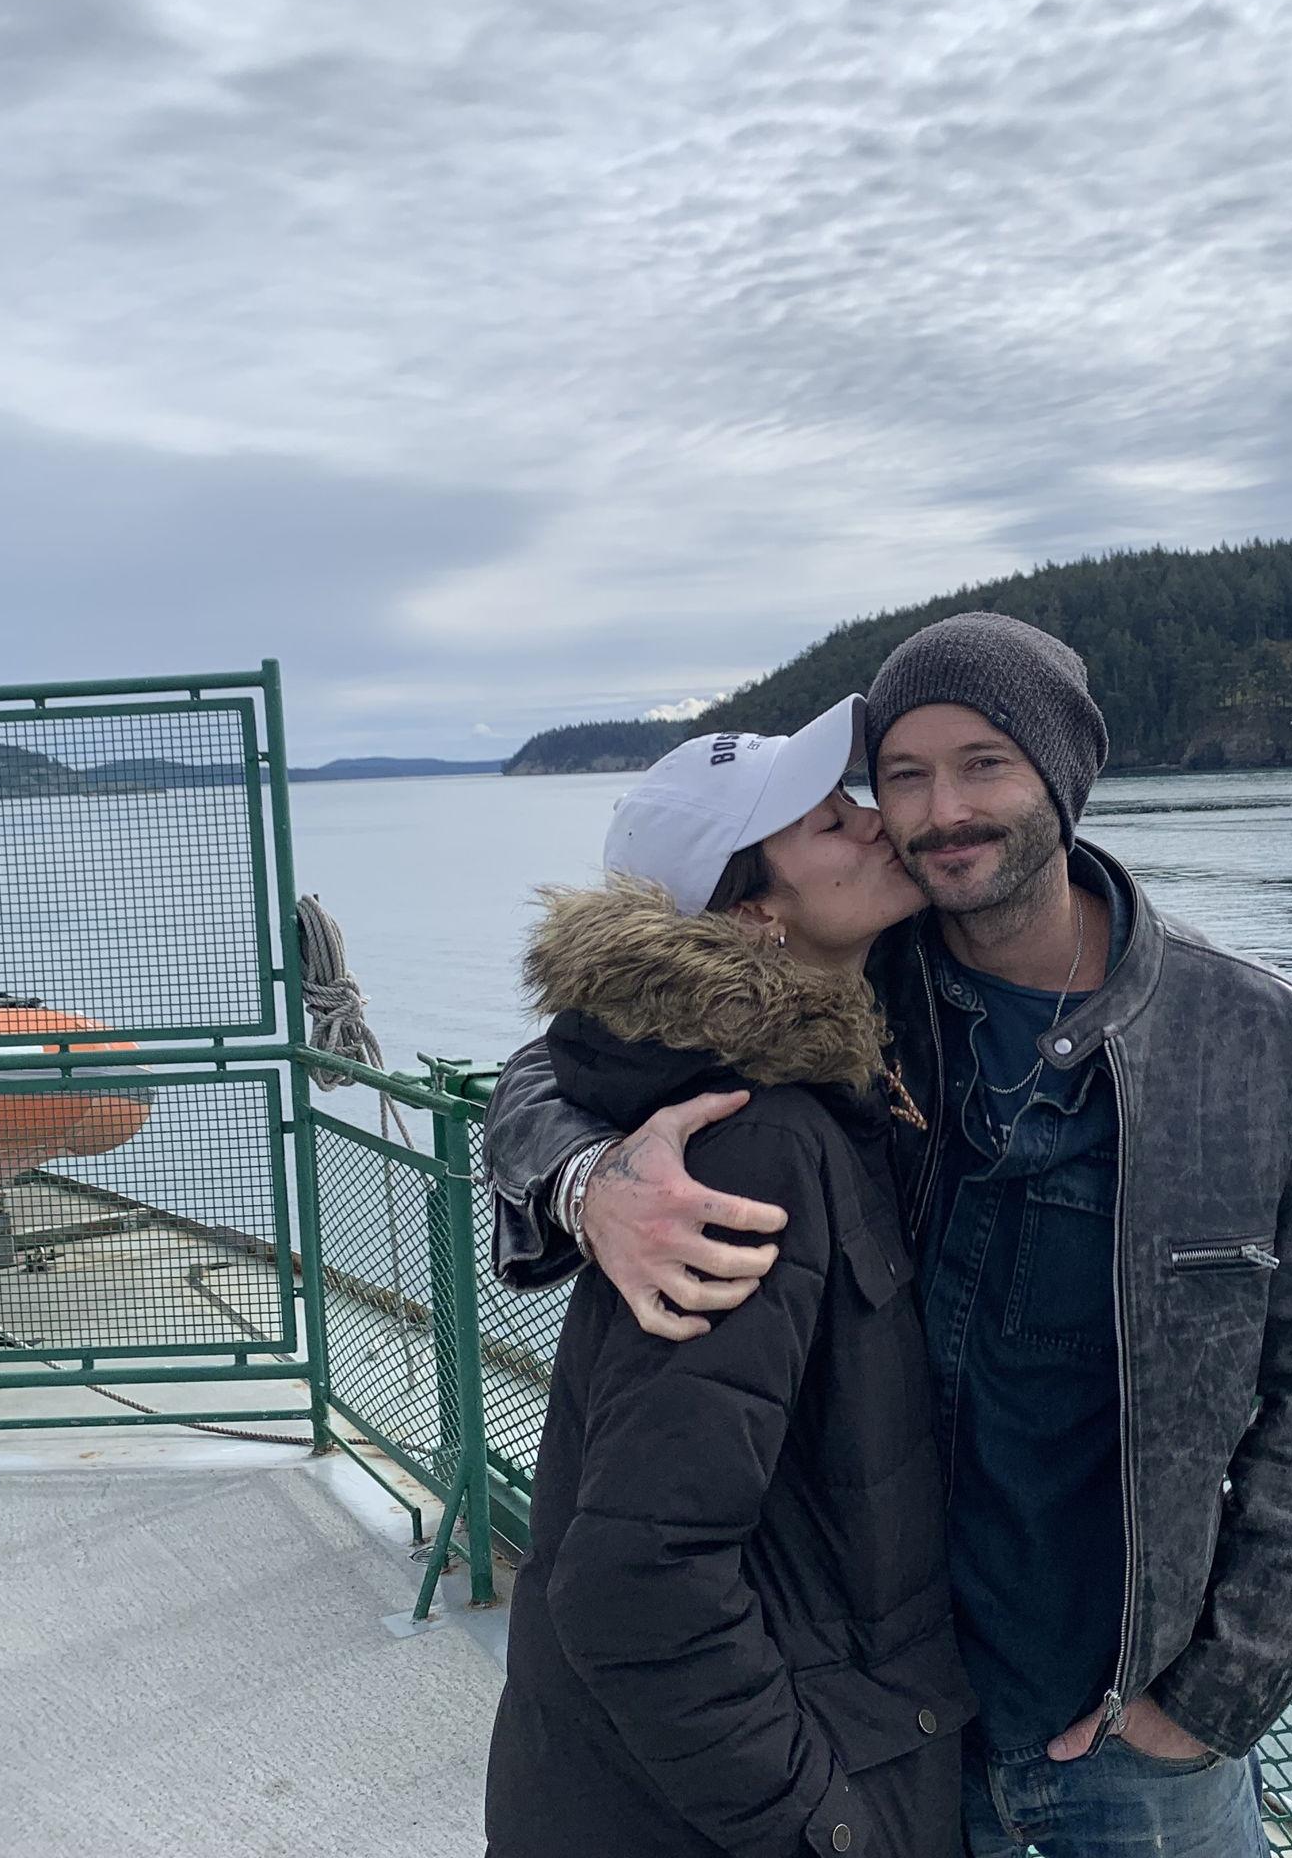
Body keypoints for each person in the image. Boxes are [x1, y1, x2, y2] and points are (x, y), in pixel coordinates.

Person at [486, 614, 1292, 1858]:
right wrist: (590, 1182)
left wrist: (1219, 1690)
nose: (938, 809)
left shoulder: (1256, 1038)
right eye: (900, 775)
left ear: (1061, 773)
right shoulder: (843, 996)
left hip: (1132, 1736)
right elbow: (574, 1054)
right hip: (888, 1722)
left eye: (983, 763)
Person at [484, 694, 972, 1858]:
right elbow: (635, 1578)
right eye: (823, 821)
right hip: (704, 1806)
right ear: (752, 911)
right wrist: (827, 1827)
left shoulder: (819, 1055)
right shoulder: (746, 1145)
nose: (871, 822)